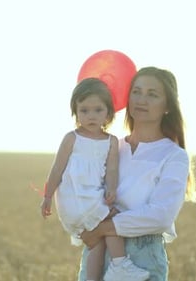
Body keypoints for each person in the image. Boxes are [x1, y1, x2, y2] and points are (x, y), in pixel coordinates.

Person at [78, 66, 196, 281]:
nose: (141, 100)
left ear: (168, 106)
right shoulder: (109, 147)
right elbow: (85, 192)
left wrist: (102, 229)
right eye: (136, 91)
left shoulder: (173, 155)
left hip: (142, 258)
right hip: (96, 255)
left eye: (152, 94)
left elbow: (160, 216)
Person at [40, 77, 151, 281]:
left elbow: (112, 169)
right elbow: (57, 169)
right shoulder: (71, 138)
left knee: (97, 243)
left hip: (93, 196)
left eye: (98, 110)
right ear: (75, 111)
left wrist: (111, 188)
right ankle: (120, 264)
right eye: (84, 110)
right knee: (112, 219)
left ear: (108, 112)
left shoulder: (110, 141)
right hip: (75, 199)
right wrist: (47, 196)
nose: (91, 116)